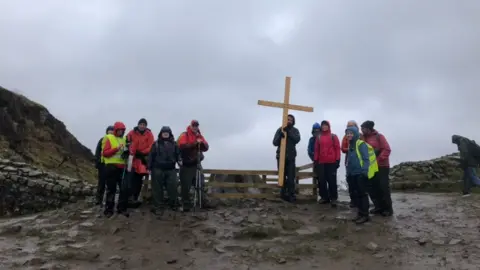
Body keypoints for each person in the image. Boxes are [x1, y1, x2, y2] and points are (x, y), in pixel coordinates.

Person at [345, 126, 379, 224]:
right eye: (347, 133)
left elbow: (366, 159)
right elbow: (350, 161)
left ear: (355, 133)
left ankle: (365, 215)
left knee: (362, 194)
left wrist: (364, 172)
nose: (349, 135)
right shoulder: (350, 145)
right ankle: (360, 214)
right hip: (353, 174)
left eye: (351, 133)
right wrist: (348, 173)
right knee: (357, 194)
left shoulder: (361, 144)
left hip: (360, 173)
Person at [361, 120, 393, 216]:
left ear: (369, 129)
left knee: (383, 187)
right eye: (361, 128)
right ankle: (378, 207)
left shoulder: (379, 137)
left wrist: (377, 160)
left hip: (382, 166)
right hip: (371, 167)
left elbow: (387, 149)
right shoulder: (363, 139)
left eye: (363, 128)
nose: (362, 130)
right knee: (372, 187)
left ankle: (388, 209)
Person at [148, 126, 182, 214]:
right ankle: (158, 207)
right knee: (157, 189)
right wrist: (149, 167)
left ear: (170, 134)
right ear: (161, 134)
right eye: (164, 132)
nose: (165, 134)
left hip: (171, 169)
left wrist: (179, 160)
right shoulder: (155, 144)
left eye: (167, 132)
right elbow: (151, 156)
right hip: (157, 169)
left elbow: (178, 154)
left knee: (173, 187)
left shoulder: (174, 144)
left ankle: (174, 205)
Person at [177, 120, 209, 212]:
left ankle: (202, 202)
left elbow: (206, 147)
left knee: (200, 183)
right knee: (185, 186)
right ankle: (186, 205)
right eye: (193, 125)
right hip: (186, 164)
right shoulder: (184, 135)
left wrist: (202, 144)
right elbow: (181, 146)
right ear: (190, 126)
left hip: (197, 163)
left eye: (196, 126)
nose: (195, 127)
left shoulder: (200, 136)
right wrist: (193, 144)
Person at [102, 121, 129, 217]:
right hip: (111, 167)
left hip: (122, 168)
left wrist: (126, 154)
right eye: (119, 130)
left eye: (122, 130)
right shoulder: (109, 138)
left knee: (124, 189)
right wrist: (116, 149)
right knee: (111, 189)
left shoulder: (124, 140)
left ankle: (121, 208)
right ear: (116, 130)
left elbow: (125, 152)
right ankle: (109, 210)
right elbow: (105, 153)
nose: (121, 132)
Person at [126, 118, 154, 208]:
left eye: (144, 125)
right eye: (141, 124)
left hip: (142, 159)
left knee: (138, 180)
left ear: (146, 126)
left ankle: (135, 198)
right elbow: (127, 141)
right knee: (130, 178)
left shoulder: (149, 134)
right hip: (132, 159)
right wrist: (132, 150)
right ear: (138, 125)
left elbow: (151, 146)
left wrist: (142, 152)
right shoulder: (131, 132)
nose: (142, 126)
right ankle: (128, 198)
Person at [273, 114, 301, 202]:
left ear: (293, 122)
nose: (289, 121)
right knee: (282, 176)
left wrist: (288, 132)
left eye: (291, 120)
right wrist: (280, 136)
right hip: (281, 157)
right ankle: (283, 194)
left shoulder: (295, 130)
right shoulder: (279, 129)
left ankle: (291, 195)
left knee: (291, 177)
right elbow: (274, 142)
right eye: (287, 119)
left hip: (291, 157)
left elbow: (297, 139)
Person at [314, 120, 341, 207]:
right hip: (321, 162)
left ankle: (333, 198)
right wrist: (316, 160)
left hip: (332, 162)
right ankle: (324, 197)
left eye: (326, 125)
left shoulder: (333, 136)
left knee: (332, 181)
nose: (324, 127)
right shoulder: (319, 137)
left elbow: (337, 148)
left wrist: (337, 160)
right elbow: (316, 150)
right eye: (323, 125)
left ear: (329, 126)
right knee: (322, 181)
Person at [341, 120, 361, 208]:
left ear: (356, 126)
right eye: (348, 125)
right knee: (351, 182)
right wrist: (349, 149)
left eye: (352, 125)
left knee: (359, 183)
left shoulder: (361, 136)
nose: (349, 127)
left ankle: (360, 201)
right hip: (348, 162)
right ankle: (353, 200)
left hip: (359, 163)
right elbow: (342, 148)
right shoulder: (345, 137)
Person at [94, 125, 114, 206]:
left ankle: (109, 201)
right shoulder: (102, 140)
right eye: (110, 130)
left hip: (111, 166)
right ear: (107, 131)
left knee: (110, 184)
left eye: (112, 130)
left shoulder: (115, 141)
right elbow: (97, 152)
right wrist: (98, 162)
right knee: (101, 183)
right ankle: (99, 200)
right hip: (102, 165)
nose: (111, 132)